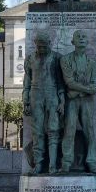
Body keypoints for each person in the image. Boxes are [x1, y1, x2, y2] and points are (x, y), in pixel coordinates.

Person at [23, 32, 65, 174]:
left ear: (49, 43)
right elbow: (27, 82)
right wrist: (26, 101)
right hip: (35, 94)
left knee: (53, 130)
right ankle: (39, 164)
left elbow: (61, 82)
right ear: (35, 45)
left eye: (44, 46)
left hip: (52, 93)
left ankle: (53, 165)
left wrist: (62, 101)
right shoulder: (29, 59)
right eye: (39, 46)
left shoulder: (57, 58)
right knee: (37, 132)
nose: (41, 49)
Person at [60, 30, 96, 173]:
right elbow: (69, 82)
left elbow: (94, 87)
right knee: (69, 131)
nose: (81, 39)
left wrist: (77, 91)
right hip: (72, 102)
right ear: (73, 42)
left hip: (85, 101)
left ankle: (92, 161)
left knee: (90, 131)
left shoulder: (92, 64)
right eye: (78, 37)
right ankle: (66, 162)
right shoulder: (65, 60)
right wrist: (84, 89)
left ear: (87, 42)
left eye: (84, 37)